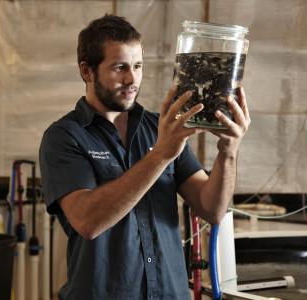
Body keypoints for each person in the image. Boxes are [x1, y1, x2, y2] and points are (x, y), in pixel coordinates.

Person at [39, 14, 250, 300]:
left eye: (137, 66)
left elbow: (211, 209)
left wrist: (228, 150)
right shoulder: (64, 137)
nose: (132, 78)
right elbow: (87, 220)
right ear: (86, 71)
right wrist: (161, 155)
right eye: (119, 67)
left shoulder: (160, 126)